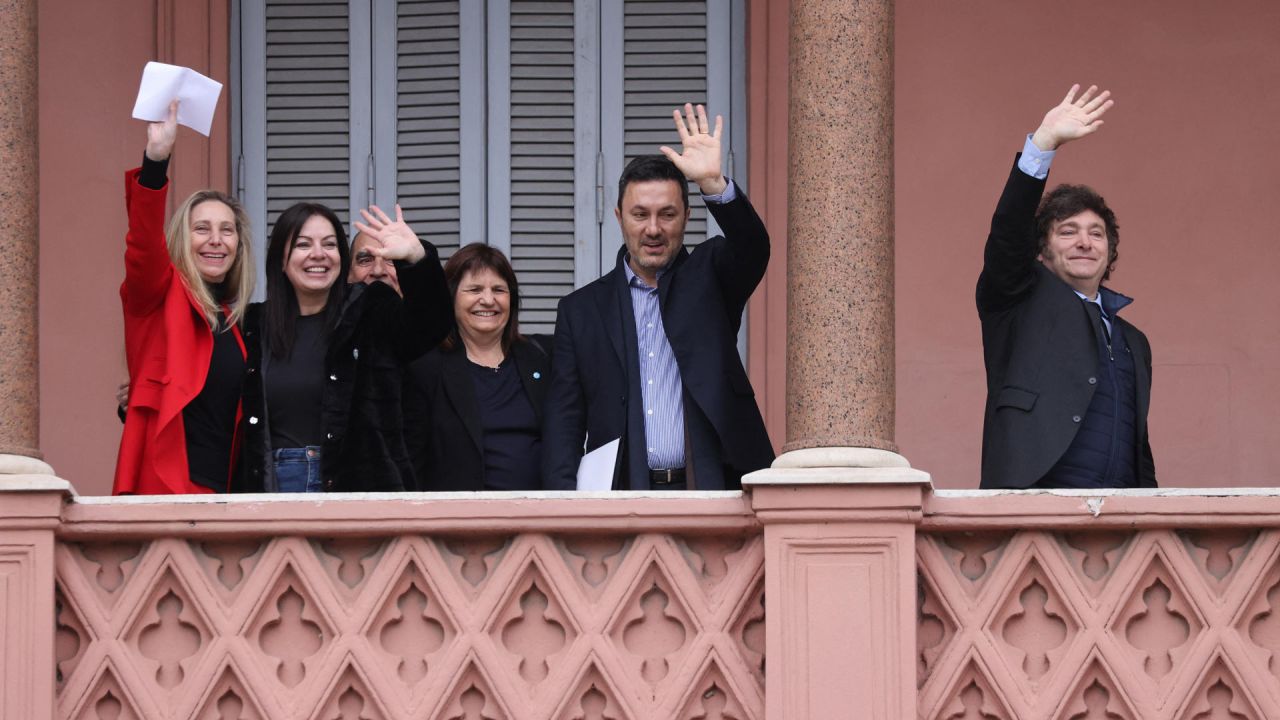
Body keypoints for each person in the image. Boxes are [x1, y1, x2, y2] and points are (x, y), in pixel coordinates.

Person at [542, 104, 773, 491]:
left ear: (685, 217)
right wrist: (562, 509)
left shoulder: (711, 276)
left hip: (712, 487)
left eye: (667, 214)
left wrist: (714, 184)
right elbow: (565, 421)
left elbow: (752, 247)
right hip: (623, 495)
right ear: (619, 218)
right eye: (640, 214)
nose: (653, 229)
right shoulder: (580, 311)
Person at [977, 84, 1156, 489]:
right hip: (1031, 507)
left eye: (1096, 234)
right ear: (1042, 250)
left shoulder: (1133, 340)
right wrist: (1043, 145)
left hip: (1119, 521)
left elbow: (1138, 445)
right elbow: (1008, 237)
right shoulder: (1016, 300)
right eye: (1068, 231)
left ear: (1110, 253)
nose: (1084, 242)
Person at [237, 202, 452, 493]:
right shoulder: (253, 325)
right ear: (280, 261)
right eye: (303, 244)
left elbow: (430, 326)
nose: (318, 254)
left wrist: (416, 258)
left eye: (329, 244)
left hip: (360, 489)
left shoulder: (370, 309)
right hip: (273, 489)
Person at [113, 101, 256, 495]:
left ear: (239, 246)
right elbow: (143, 243)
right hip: (165, 488)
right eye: (202, 229)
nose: (216, 240)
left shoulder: (236, 322)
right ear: (181, 238)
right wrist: (156, 160)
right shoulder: (158, 294)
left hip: (223, 497)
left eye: (227, 231)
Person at [401, 244, 552, 491]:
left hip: (538, 521)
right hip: (459, 522)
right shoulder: (426, 368)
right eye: (474, 289)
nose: (488, 300)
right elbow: (411, 463)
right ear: (451, 297)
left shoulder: (543, 357)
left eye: (499, 290)